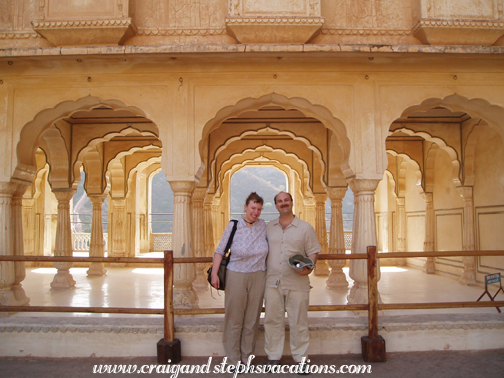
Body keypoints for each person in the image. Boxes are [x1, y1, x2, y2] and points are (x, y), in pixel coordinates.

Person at [264, 191, 321, 373]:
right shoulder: (268, 227)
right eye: (279, 201)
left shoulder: (305, 228)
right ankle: (273, 357)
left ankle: (301, 359)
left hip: (297, 282)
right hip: (272, 282)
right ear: (276, 205)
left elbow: (313, 251)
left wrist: (309, 268)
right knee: (272, 321)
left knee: (299, 321)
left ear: (292, 202)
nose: (283, 203)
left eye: (286, 200)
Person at [210, 192, 268, 367]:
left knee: (252, 318)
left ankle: (247, 355)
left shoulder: (263, 226)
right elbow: (220, 250)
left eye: (259, 209)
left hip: (258, 275)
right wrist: (214, 274)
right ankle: (234, 357)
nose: (255, 212)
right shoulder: (234, 225)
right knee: (235, 317)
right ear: (245, 207)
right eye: (253, 208)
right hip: (236, 274)